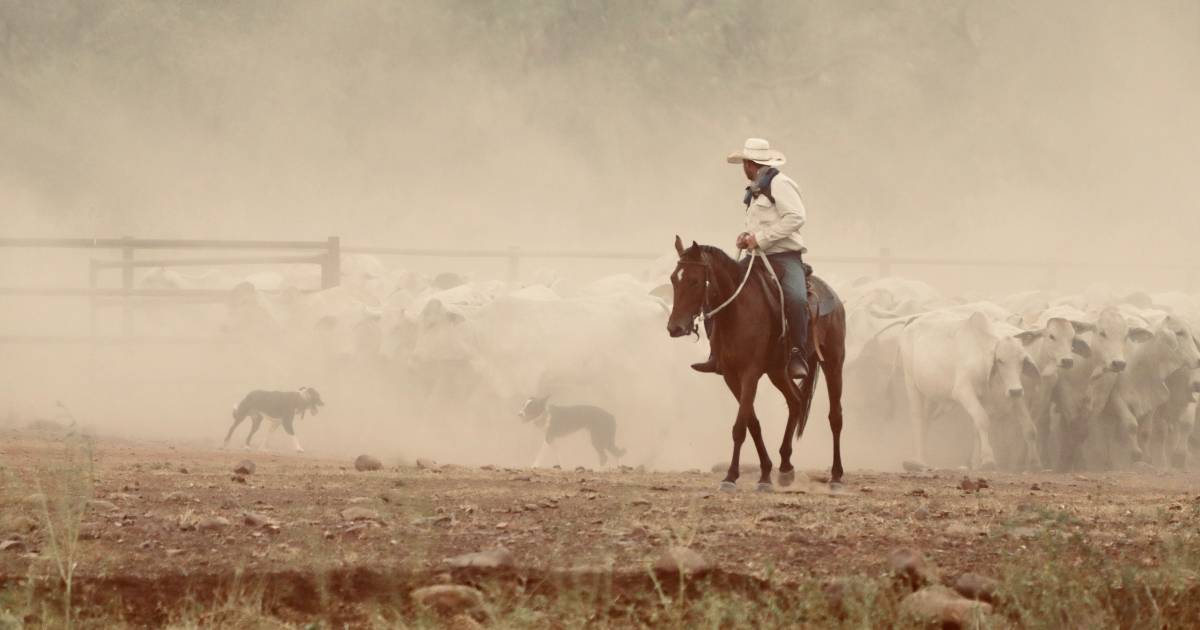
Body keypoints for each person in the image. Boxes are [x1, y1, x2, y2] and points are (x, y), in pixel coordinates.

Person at [691, 137, 810, 380]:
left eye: (744, 163)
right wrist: (747, 238)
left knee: (797, 299)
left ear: (749, 163)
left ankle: (797, 354)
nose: (743, 168)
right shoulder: (757, 187)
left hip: (784, 257)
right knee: (715, 289)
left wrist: (762, 238)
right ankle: (717, 353)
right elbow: (761, 224)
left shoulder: (781, 184)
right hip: (756, 257)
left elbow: (796, 217)